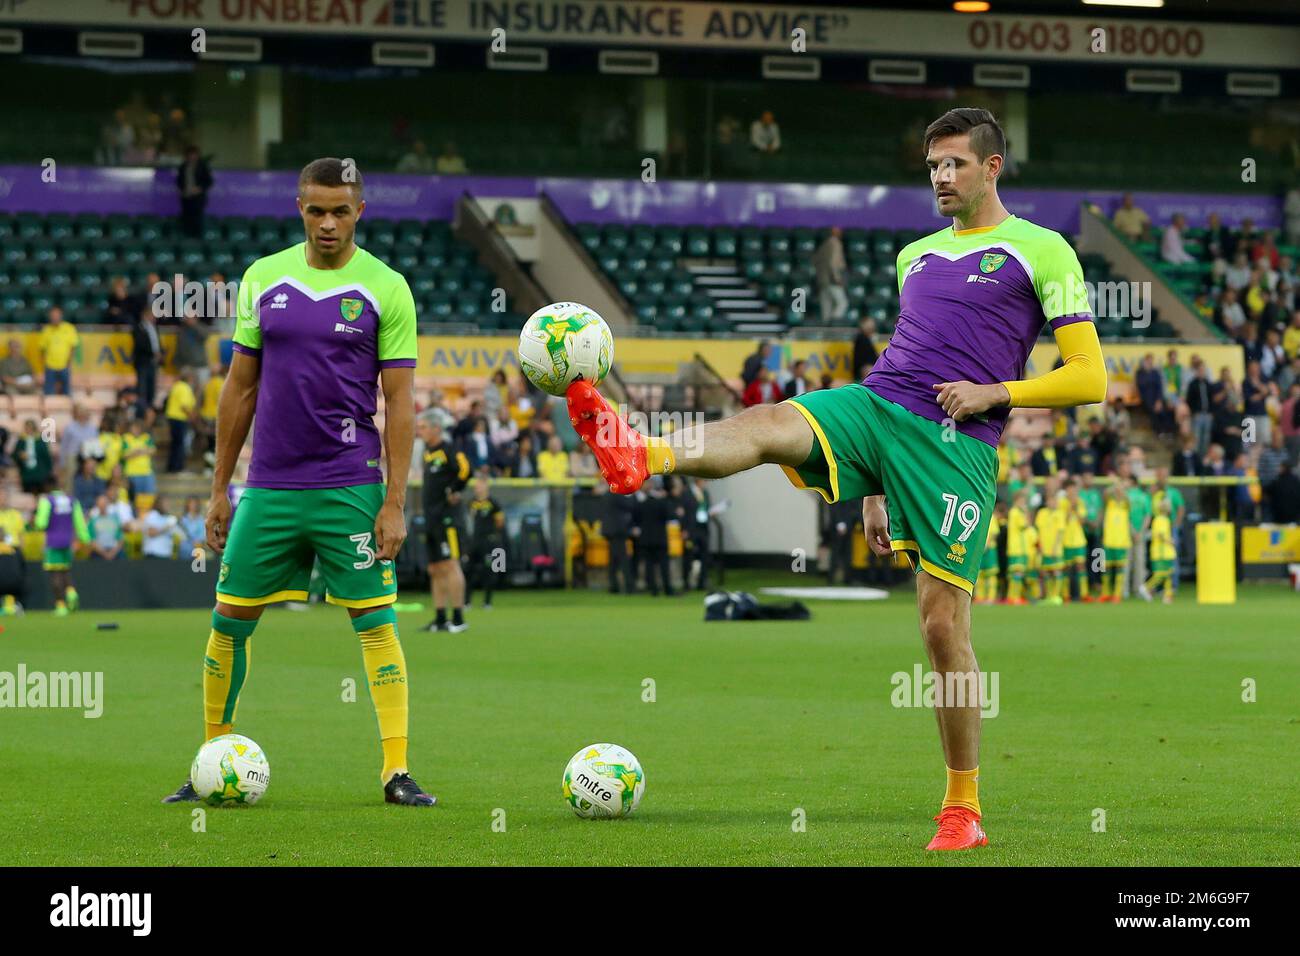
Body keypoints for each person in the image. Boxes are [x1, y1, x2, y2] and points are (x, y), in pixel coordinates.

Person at [566, 108, 1107, 851]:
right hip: (879, 404)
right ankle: (642, 454)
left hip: (956, 442)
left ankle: (962, 808)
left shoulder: (1043, 251)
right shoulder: (914, 255)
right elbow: (909, 349)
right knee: (766, 423)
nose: (941, 178)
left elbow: (1090, 377)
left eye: (954, 164)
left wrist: (997, 393)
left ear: (992, 168)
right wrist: (874, 485)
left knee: (942, 629)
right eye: (932, 166)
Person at [160, 157, 435, 809]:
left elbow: (400, 402)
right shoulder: (263, 278)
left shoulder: (387, 287)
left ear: (360, 210)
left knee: (376, 623)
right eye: (317, 210)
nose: (329, 223)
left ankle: (395, 771)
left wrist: (395, 501)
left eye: (341, 210)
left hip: (351, 484)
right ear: (299, 208)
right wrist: (218, 487)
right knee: (228, 620)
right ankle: (211, 758)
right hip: (271, 487)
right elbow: (240, 388)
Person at [418, 414, 470, 634]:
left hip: (448, 518)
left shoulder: (449, 448)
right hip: (431, 518)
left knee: (450, 564)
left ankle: (458, 618)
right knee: (434, 568)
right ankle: (440, 618)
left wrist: (455, 490)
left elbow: (466, 469)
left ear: (436, 428)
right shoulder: (427, 453)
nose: (419, 431)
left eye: (423, 427)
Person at [33, 476, 91, 616]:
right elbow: (79, 521)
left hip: (53, 541)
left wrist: (37, 525)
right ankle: (71, 592)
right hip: (67, 541)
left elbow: (41, 523)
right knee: (65, 570)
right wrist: (85, 538)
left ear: (47, 487)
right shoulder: (72, 501)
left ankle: (60, 605)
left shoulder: (47, 501)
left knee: (55, 573)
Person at [464, 475, 505, 610]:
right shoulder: (471, 503)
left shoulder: (494, 503)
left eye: (479, 485)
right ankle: (467, 602)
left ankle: (487, 602)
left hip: (489, 542)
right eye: (476, 486)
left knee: (489, 571)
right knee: (468, 570)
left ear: (486, 486)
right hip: (475, 542)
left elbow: (500, 523)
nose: (477, 488)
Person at [1140, 497, 1176, 604]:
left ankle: (1167, 596)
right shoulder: (1162, 519)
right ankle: (1146, 587)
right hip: (1161, 552)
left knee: (1168, 574)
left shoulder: (1159, 519)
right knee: (1160, 574)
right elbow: (1161, 534)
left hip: (1165, 552)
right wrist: (1170, 541)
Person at [1101, 478, 1131, 603]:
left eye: (1120, 490)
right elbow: (1105, 494)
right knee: (1104, 567)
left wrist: (1122, 488)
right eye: (1117, 490)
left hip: (1121, 541)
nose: (1118, 492)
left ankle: (1117, 594)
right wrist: (1115, 485)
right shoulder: (1110, 503)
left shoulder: (1125, 504)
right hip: (1108, 540)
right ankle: (1105, 593)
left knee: (1120, 568)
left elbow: (1127, 500)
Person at [38, 307, 78, 396]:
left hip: (64, 365)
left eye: (57, 315)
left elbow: (73, 347)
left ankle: (66, 408)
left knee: (66, 391)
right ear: (50, 317)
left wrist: (69, 362)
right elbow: (42, 349)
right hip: (50, 366)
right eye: (53, 316)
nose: (55, 317)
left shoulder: (69, 328)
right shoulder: (46, 330)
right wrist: (44, 363)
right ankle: (50, 408)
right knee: (49, 392)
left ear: (61, 316)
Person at [164, 369, 198, 473]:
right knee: (180, 444)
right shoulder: (184, 388)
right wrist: (193, 417)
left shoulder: (177, 385)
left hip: (172, 417)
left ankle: (172, 467)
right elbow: (184, 406)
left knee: (176, 443)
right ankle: (178, 467)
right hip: (179, 418)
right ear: (189, 378)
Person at [176, 145, 214, 238]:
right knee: (186, 218)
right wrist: (183, 189)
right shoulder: (183, 166)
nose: (191, 156)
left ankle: (198, 238)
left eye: (194, 154)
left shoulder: (203, 166)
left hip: (198, 198)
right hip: (186, 197)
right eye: (189, 154)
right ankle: (187, 238)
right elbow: (179, 181)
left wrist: (199, 188)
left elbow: (209, 181)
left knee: (197, 218)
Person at [813, 227, 848, 323]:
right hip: (832, 280)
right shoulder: (835, 243)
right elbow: (833, 263)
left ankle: (827, 330)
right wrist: (837, 277)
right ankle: (833, 323)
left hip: (822, 281)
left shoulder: (824, 245)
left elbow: (815, 260)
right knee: (842, 303)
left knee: (826, 311)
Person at [132, 307, 163, 415]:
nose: (154, 318)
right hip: (143, 362)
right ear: (145, 316)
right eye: (152, 315)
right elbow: (140, 344)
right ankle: (141, 412)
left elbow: (157, 343)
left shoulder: (154, 328)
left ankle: (150, 411)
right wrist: (153, 353)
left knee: (151, 389)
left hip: (153, 362)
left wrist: (160, 354)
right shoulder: (138, 328)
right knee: (142, 389)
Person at [121, 416, 157, 501]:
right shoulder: (126, 438)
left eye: (136, 427)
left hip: (146, 472)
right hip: (132, 473)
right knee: (135, 498)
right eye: (132, 427)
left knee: (149, 496)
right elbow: (124, 455)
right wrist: (138, 452)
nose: (134, 429)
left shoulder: (146, 437)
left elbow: (153, 450)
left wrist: (139, 451)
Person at [14, 418, 53, 494]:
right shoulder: (21, 440)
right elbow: (15, 454)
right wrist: (20, 456)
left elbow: (46, 456)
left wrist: (48, 471)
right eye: (27, 428)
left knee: (41, 494)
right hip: (26, 473)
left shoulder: (40, 441)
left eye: (30, 428)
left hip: (40, 473)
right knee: (27, 495)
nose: (29, 430)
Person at [88, 493, 125, 561]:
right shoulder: (93, 521)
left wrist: (112, 553)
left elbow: (120, 540)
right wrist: (105, 554)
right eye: (100, 504)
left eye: (104, 504)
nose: (102, 506)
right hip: (99, 553)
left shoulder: (115, 519)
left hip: (114, 551)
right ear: (97, 505)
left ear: (107, 504)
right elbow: (92, 541)